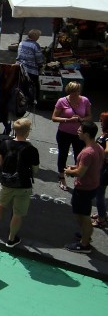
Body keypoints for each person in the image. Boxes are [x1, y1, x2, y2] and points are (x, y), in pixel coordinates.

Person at [0, 118, 40, 248]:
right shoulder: (32, 150)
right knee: (18, 213)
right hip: (23, 185)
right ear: (27, 132)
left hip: (6, 182)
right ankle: (11, 239)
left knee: (1, 204)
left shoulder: (5, 144)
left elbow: (0, 162)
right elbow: (35, 170)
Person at [63, 120, 105, 253]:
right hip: (93, 185)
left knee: (83, 216)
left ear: (86, 134)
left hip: (84, 188)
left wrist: (69, 171)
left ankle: (84, 244)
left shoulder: (87, 152)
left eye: (80, 130)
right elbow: (90, 166)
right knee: (81, 213)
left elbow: (80, 172)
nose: (78, 131)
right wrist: (76, 167)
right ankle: (85, 235)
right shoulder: (98, 147)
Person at [53, 81, 92, 191]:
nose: (76, 94)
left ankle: (77, 177)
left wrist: (81, 119)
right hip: (64, 133)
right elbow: (54, 117)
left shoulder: (85, 100)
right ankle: (61, 177)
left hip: (79, 134)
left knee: (79, 156)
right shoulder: (62, 101)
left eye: (78, 91)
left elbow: (89, 116)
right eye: (74, 92)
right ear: (69, 91)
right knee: (63, 154)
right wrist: (68, 120)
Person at [16, 29, 43, 104]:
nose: (38, 38)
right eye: (38, 36)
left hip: (20, 67)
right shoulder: (35, 45)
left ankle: (23, 98)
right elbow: (39, 58)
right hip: (31, 69)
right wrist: (41, 65)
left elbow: (19, 55)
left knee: (23, 84)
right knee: (35, 84)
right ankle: (35, 100)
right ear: (35, 37)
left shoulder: (21, 43)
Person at [92, 112, 108, 229]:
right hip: (102, 167)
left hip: (104, 169)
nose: (100, 122)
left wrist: (99, 154)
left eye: (102, 120)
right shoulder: (105, 134)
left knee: (99, 194)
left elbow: (107, 151)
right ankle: (101, 213)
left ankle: (101, 220)